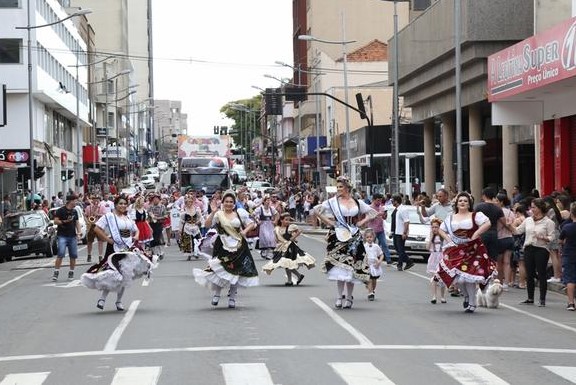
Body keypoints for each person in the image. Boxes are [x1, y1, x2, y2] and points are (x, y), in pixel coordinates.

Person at [313, 176, 377, 309]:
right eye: (337, 187)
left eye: (341, 187)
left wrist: (361, 222)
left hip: (354, 236)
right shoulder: (332, 202)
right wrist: (331, 223)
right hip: (339, 236)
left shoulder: (357, 202)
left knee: (351, 269)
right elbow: (317, 210)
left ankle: (349, 298)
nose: (338, 189)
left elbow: (372, 212)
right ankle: (339, 297)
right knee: (340, 268)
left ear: (347, 188)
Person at [192, 190, 259, 309]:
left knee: (236, 272)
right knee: (219, 270)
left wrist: (244, 231)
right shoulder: (218, 214)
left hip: (238, 245)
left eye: (231, 202)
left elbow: (252, 223)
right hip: (222, 244)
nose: (228, 204)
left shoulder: (240, 213)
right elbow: (207, 225)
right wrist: (212, 212)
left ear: (234, 203)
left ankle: (232, 297)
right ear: (223, 202)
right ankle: (217, 294)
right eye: (226, 201)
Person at [437, 192, 494, 313]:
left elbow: (488, 223)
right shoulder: (450, 218)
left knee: (469, 278)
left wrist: (477, 233)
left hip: (473, 249)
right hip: (457, 250)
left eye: (465, 201)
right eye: (460, 201)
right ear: (456, 204)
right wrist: (448, 240)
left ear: (469, 204)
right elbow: (441, 230)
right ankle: (467, 296)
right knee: (459, 279)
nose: (462, 202)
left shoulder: (475, 215)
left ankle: (472, 303)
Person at [84, 195, 141, 311]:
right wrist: (106, 239)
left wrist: (136, 236)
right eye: (120, 203)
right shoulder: (109, 216)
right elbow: (96, 228)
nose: (123, 206)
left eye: (125, 204)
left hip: (127, 248)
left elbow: (136, 230)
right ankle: (102, 299)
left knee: (124, 275)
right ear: (115, 205)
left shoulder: (128, 217)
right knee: (112, 274)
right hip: (114, 248)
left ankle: (119, 301)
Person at [512, 198, 556, 307]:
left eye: (533, 207)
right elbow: (517, 231)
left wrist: (544, 237)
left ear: (540, 208)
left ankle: (542, 299)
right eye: (531, 207)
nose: (531, 210)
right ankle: (530, 297)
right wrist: (508, 225)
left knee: (541, 274)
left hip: (541, 249)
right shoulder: (528, 220)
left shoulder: (548, 222)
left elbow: (552, 237)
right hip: (528, 248)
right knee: (530, 273)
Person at [262, 213, 316, 285]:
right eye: (286, 220)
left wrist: (297, 234)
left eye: (289, 220)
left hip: (290, 247)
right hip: (281, 248)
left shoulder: (290, 228)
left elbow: (292, 239)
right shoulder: (276, 229)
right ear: (281, 220)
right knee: (286, 264)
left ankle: (291, 280)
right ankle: (296, 277)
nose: (288, 221)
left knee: (287, 263)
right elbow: (276, 240)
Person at [51, 194, 82, 282]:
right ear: (70, 201)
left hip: (72, 236)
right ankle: (56, 272)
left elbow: (77, 223)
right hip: (62, 235)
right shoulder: (61, 210)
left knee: (73, 255)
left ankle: (71, 272)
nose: (76, 202)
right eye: (75, 200)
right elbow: (55, 221)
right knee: (60, 253)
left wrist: (79, 233)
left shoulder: (75, 211)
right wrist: (65, 221)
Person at [390, 194, 415, 271]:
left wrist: (404, 232)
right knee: (397, 248)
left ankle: (400, 264)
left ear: (396, 201)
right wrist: (392, 232)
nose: (392, 202)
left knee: (400, 249)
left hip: (401, 232)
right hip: (396, 232)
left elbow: (406, 221)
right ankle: (408, 261)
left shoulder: (403, 209)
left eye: (393, 201)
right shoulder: (396, 209)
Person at [559, 203, 576, 311]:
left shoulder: (567, 227)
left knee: (570, 279)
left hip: (569, 254)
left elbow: (560, 240)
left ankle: (571, 303)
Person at [367, 193, 392, 264]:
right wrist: (377, 214)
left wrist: (385, 215)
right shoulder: (369, 208)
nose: (379, 202)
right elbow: (369, 218)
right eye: (378, 200)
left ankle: (388, 259)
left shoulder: (382, 207)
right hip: (372, 230)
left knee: (384, 244)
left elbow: (384, 218)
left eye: (380, 201)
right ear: (373, 200)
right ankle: (370, 258)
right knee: (371, 244)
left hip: (381, 229)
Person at [427, 218, 446, 304]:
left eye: (436, 227)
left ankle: (442, 296)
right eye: (433, 227)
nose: (434, 229)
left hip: (442, 258)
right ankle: (434, 296)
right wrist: (431, 238)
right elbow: (427, 248)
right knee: (434, 277)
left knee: (442, 279)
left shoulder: (443, 237)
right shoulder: (431, 236)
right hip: (433, 258)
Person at [254, 196, 279, 260]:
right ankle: (264, 251)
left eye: (269, 200)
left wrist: (275, 221)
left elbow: (277, 214)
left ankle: (268, 253)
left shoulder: (271, 208)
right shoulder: (260, 208)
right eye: (267, 200)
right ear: (264, 202)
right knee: (266, 238)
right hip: (263, 225)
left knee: (271, 239)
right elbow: (252, 214)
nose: (268, 202)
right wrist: (257, 221)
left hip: (270, 225)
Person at [363, 228, 383, 301]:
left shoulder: (376, 246)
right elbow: (362, 255)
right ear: (365, 238)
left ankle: (372, 290)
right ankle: (370, 293)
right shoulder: (364, 246)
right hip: (367, 265)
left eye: (370, 237)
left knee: (374, 281)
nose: (369, 239)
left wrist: (379, 261)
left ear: (373, 237)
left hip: (375, 266)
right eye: (367, 237)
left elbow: (381, 254)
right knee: (370, 280)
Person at [148, 194, 168, 259]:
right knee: (152, 239)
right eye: (154, 199)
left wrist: (158, 218)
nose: (155, 200)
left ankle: (160, 252)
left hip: (159, 224)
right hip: (151, 224)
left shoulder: (162, 207)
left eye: (156, 199)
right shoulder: (150, 207)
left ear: (159, 200)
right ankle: (154, 253)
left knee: (157, 238)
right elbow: (148, 215)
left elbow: (166, 216)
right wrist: (151, 217)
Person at [85, 195, 104, 263]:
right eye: (94, 199)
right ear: (92, 200)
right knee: (89, 241)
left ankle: (100, 256)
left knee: (100, 241)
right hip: (91, 225)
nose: (96, 201)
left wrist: (97, 214)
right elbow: (86, 215)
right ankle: (89, 255)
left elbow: (104, 215)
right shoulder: (88, 207)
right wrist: (88, 221)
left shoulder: (102, 207)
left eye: (97, 199)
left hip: (99, 225)